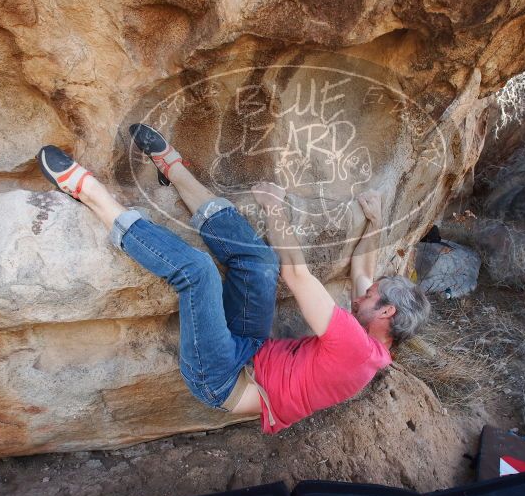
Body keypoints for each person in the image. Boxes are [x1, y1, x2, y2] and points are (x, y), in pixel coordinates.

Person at [36, 123, 430, 434]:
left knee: (199, 272)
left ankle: (91, 194)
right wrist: (375, 222)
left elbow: (297, 274)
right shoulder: (379, 335)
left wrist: (275, 211)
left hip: (223, 379)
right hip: (252, 350)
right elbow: (363, 272)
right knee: (258, 262)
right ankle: (174, 170)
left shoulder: (354, 347)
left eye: (370, 297)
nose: (359, 297)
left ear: (387, 311)